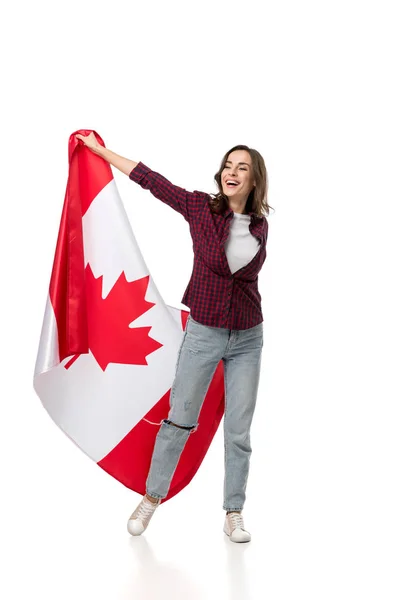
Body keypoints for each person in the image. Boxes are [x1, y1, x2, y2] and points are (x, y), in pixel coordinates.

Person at [75, 132, 272, 542]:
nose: (232, 172)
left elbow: (242, 275)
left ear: (254, 182)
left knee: (239, 430)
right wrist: (100, 153)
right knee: (180, 419)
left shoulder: (259, 224)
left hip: (248, 337)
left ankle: (233, 511)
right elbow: (151, 180)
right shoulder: (200, 207)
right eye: (228, 165)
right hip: (204, 334)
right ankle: (151, 497)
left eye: (243, 168)